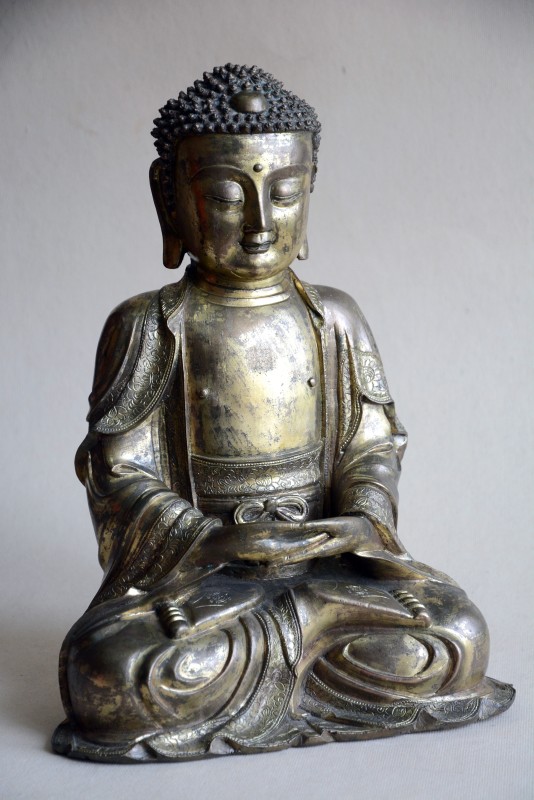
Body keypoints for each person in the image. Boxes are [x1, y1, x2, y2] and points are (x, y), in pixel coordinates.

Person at [53, 64, 513, 762]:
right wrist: (216, 542)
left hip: (329, 563)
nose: (261, 223)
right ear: (170, 199)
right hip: (208, 582)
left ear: (310, 192)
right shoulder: (149, 326)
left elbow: (372, 446)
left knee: (459, 634)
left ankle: (315, 615)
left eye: (286, 192)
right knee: (109, 673)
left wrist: (358, 520)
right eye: (226, 195)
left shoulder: (334, 319)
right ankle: (311, 633)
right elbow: (118, 474)